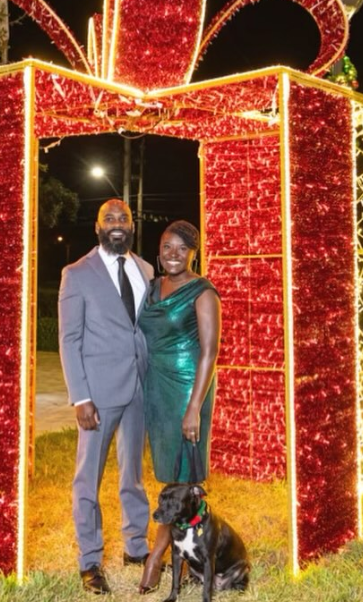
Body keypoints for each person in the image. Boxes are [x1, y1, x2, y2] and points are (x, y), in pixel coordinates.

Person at [58, 198, 154, 595]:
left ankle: (136, 547)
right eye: (109, 218)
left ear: (132, 225)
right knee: (88, 479)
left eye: (124, 218)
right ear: (97, 227)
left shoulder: (145, 269)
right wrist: (80, 397)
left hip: (138, 390)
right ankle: (90, 560)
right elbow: (69, 339)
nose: (117, 224)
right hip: (97, 394)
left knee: (133, 474)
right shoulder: (76, 273)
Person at [137, 220, 221, 594]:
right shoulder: (153, 287)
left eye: (181, 248)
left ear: (193, 253)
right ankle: (180, 554)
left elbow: (210, 351)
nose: (173, 254)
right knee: (168, 473)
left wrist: (193, 409)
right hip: (157, 387)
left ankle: (159, 557)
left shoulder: (203, 292)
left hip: (189, 387)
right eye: (167, 247)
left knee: (183, 479)